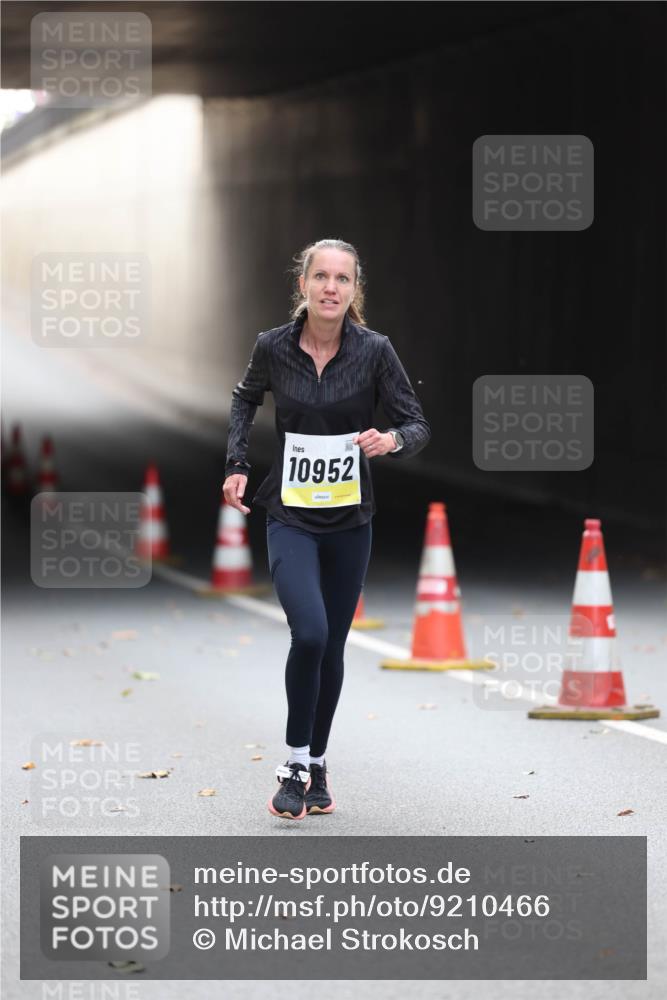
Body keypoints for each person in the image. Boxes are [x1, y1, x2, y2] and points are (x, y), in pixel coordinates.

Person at [223, 238, 431, 820]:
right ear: (304, 284)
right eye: (321, 277)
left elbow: (416, 423)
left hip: (349, 520)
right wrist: (237, 463)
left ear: (354, 289)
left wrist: (392, 440)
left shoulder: (374, 351)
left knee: (333, 645)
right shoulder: (273, 346)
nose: (331, 288)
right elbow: (244, 400)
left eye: (342, 278)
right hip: (291, 516)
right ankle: (294, 764)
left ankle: (316, 762)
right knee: (310, 634)